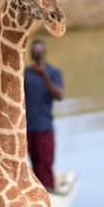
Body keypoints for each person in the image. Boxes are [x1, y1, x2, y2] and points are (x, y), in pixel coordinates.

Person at [23, 38, 64, 190]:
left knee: (45, 164)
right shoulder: (25, 74)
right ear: (30, 54)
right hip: (28, 128)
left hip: (45, 127)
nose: (38, 55)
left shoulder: (53, 72)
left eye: (40, 52)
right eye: (35, 53)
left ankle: (49, 195)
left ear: (45, 54)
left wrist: (44, 76)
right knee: (33, 165)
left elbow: (59, 95)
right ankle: (37, 194)